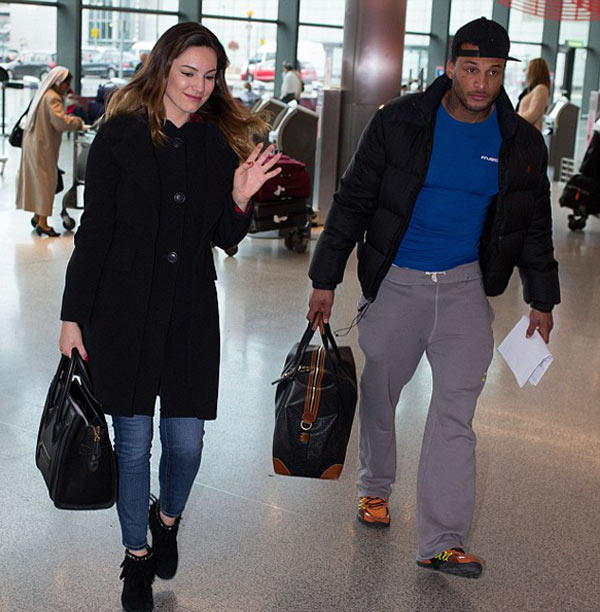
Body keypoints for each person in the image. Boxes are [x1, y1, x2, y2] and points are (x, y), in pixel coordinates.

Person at [307, 17, 560, 579]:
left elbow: (534, 225)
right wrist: (325, 279)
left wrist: (542, 299)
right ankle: (375, 487)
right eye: (471, 69)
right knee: (380, 394)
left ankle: (442, 541)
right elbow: (352, 201)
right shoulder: (399, 123)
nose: (481, 83)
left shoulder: (520, 143)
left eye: (493, 72)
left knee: (455, 414)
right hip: (397, 282)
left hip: (466, 288)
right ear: (450, 67)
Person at [59, 22, 281, 612]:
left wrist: (239, 198)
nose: (198, 87)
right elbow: (94, 232)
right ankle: (136, 557)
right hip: (122, 312)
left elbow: (223, 237)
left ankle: (167, 519)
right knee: (133, 447)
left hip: (189, 313)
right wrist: (72, 316)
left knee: (186, 443)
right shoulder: (119, 136)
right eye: (188, 73)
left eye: (209, 76)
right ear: (161, 69)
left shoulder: (216, 143)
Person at [16, 67, 84, 236]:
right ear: (59, 83)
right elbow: (60, 122)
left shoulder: (43, 94)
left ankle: (37, 216)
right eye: (67, 84)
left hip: (34, 144)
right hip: (42, 147)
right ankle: (43, 223)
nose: (67, 88)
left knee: (38, 182)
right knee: (46, 183)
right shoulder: (52, 97)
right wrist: (78, 122)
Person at [518, 57, 551, 131]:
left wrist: (513, 119)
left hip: (529, 133)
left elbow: (532, 114)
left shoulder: (541, 89)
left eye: (528, 69)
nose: (526, 72)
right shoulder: (535, 89)